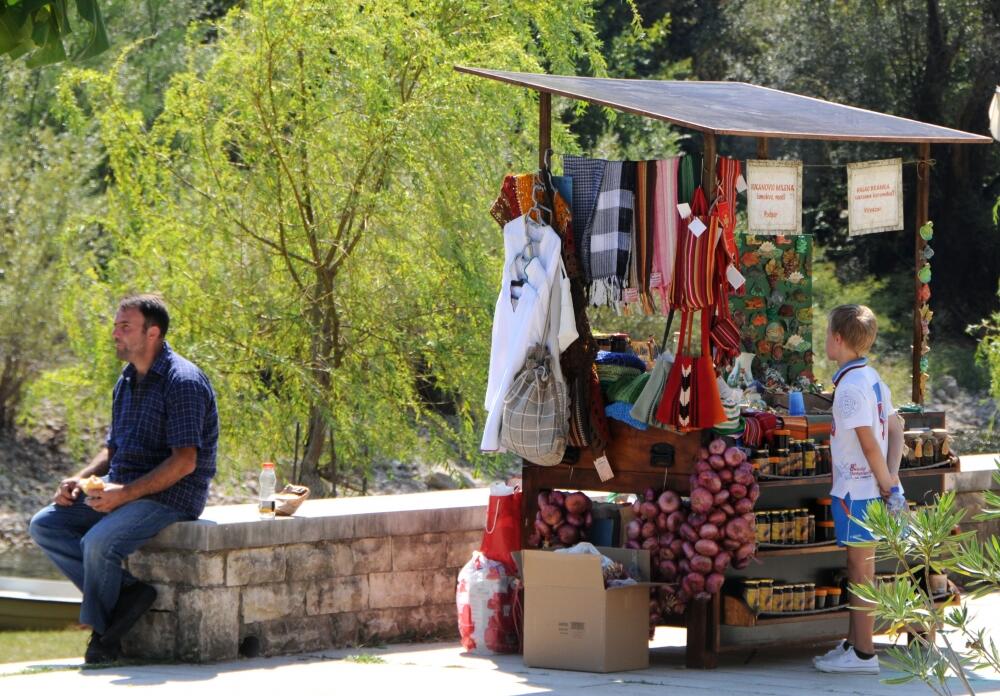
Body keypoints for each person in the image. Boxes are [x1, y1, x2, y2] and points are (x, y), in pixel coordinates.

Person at [29, 294, 218, 664]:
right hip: (124, 487)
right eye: (116, 325)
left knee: (98, 543)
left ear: (153, 333)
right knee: (45, 525)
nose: (115, 333)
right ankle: (130, 595)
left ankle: (106, 637)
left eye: (125, 326)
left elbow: (184, 463)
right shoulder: (127, 380)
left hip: (172, 496)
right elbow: (113, 450)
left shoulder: (183, 382)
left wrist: (125, 495)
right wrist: (79, 479)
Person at [813, 304, 904, 675]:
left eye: (827, 334)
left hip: (858, 490)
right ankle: (854, 644)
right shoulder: (872, 377)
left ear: (837, 339)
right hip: (871, 486)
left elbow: (869, 445)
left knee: (860, 570)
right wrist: (892, 479)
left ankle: (865, 653)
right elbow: (897, 427)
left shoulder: (849, 388)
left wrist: (887, 485)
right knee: (858, 569)